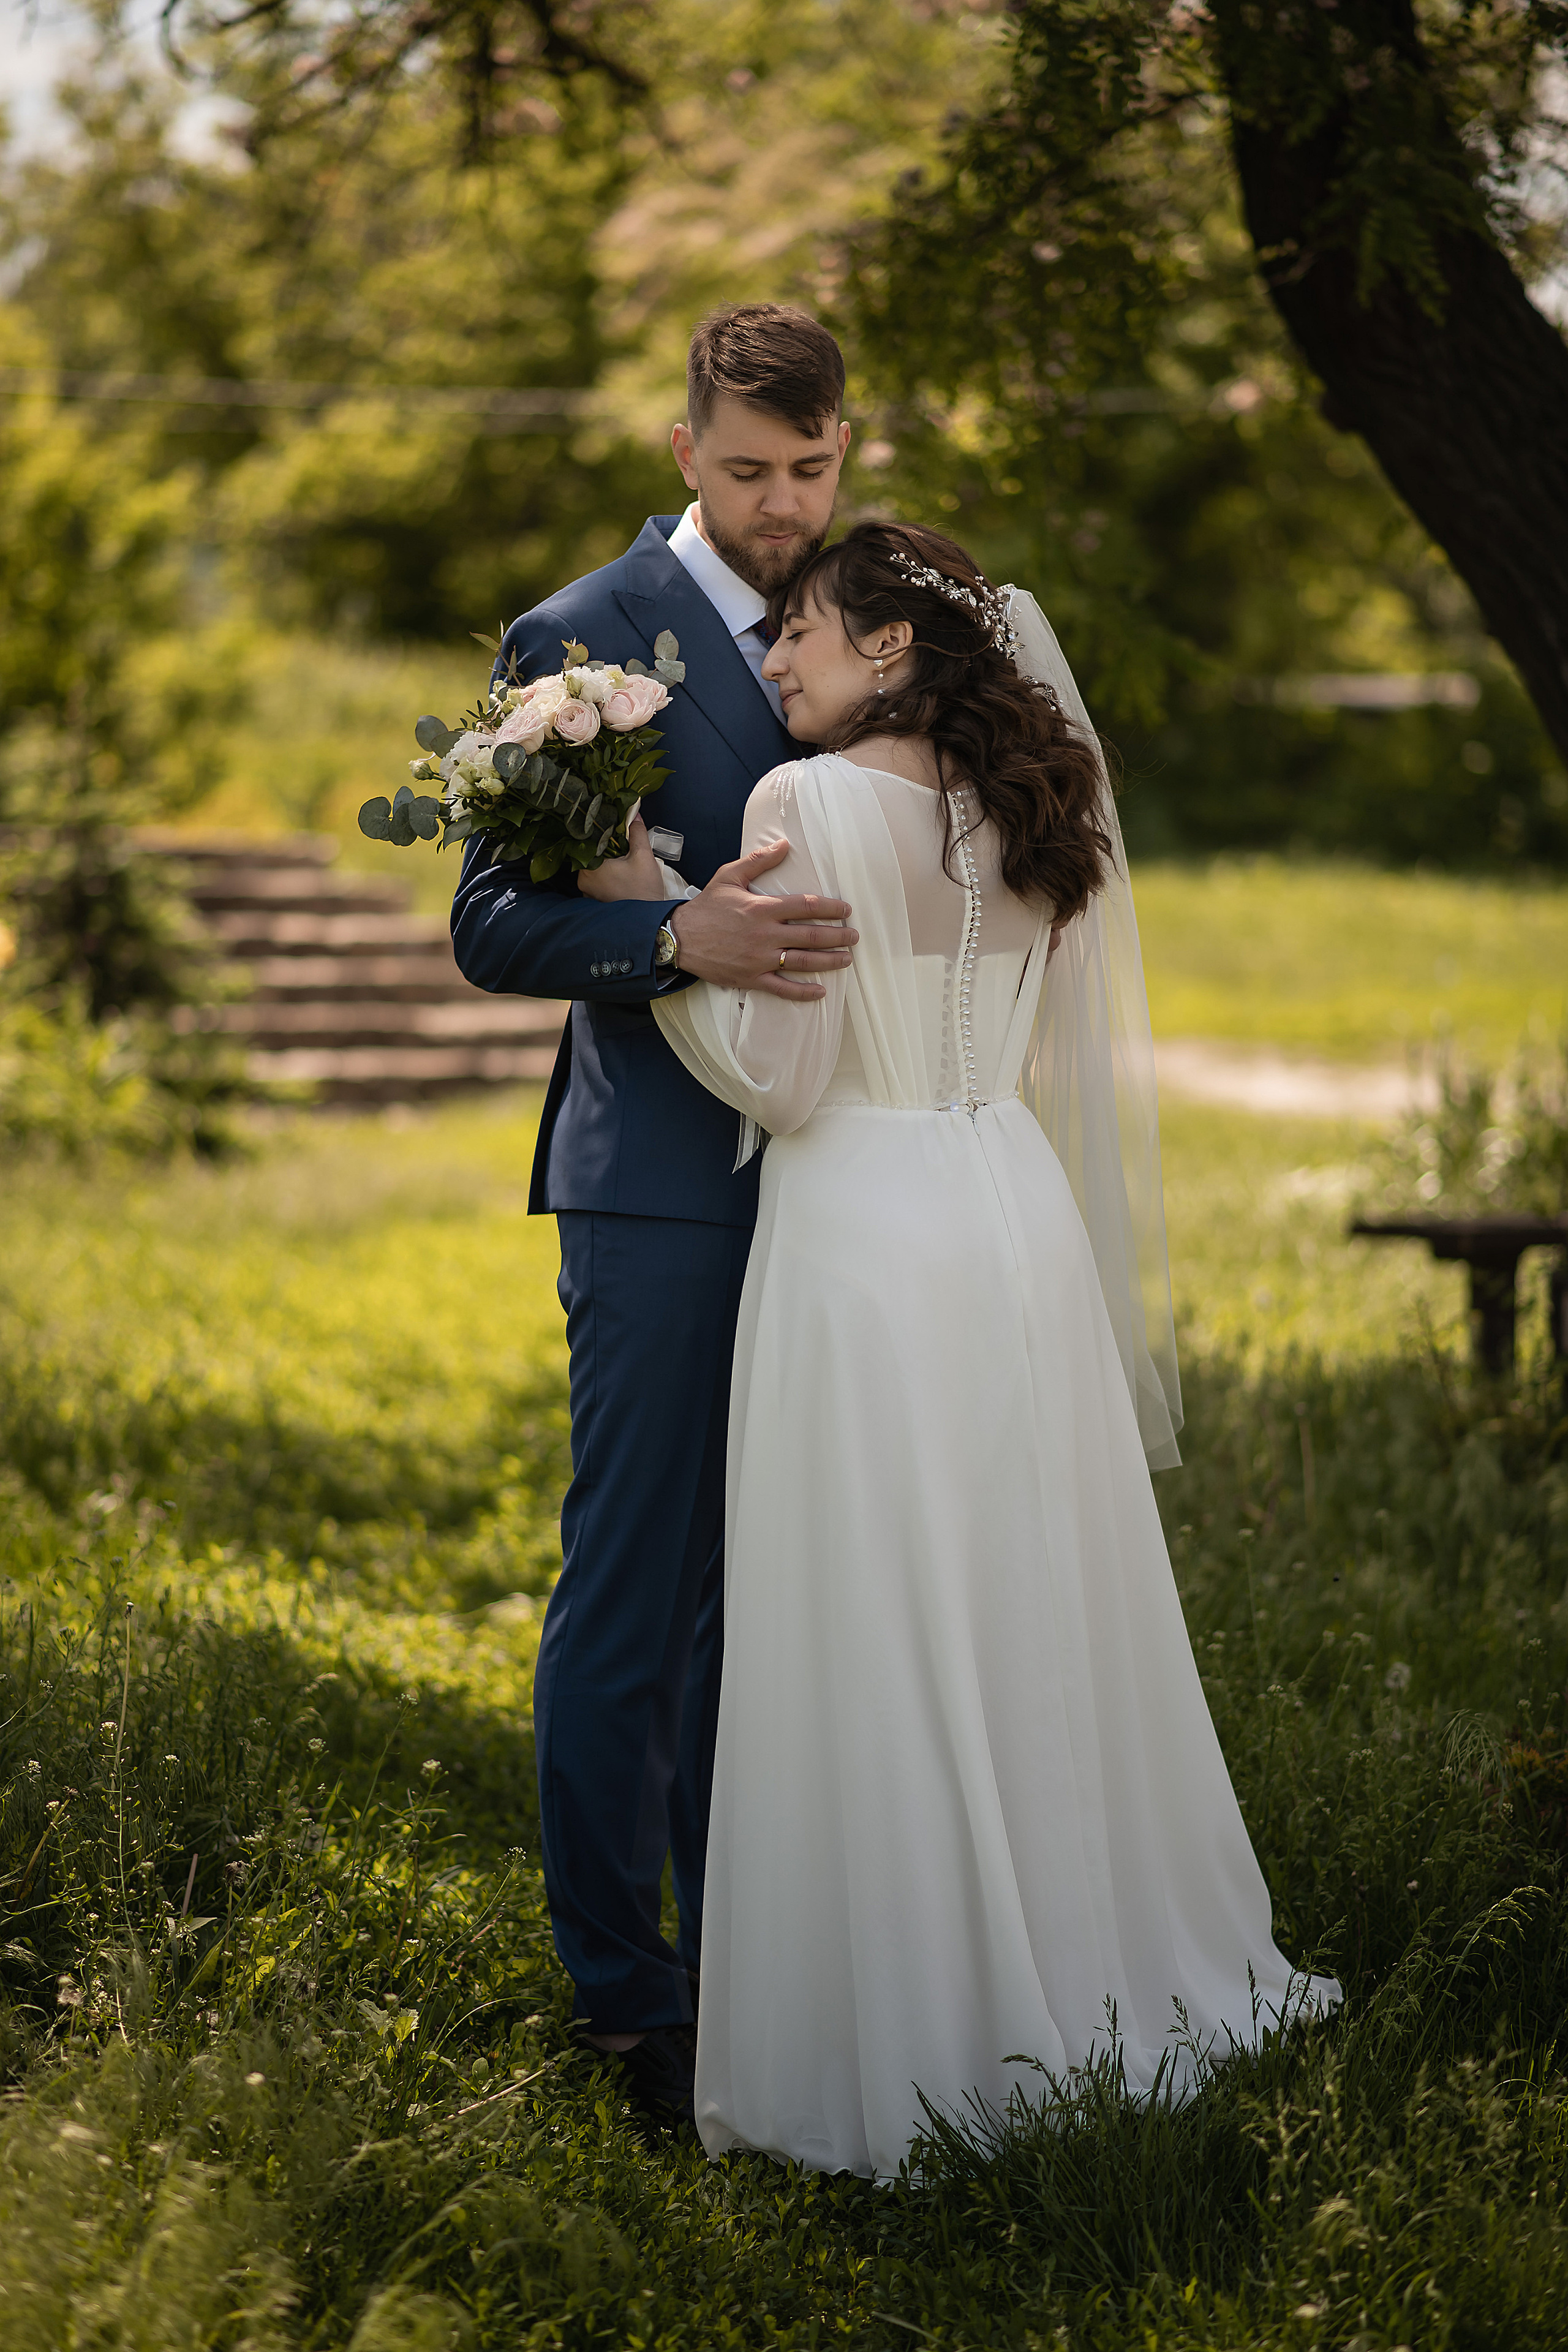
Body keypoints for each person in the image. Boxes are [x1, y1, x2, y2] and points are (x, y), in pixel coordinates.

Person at [579, 520, 1342, 2178]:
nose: (772, 659)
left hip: (861, 1225)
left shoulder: (808, 806)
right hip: (1009, 1209)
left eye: (805, 634)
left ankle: (915, 2025)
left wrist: (645, 914)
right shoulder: (1031, 809)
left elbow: (781, 1081)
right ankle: (1081, 1966)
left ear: (897, 654)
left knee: (875, 1610)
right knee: (1022, 1605)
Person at [451, 305, 859, 2125]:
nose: (782, 506)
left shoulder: (862, 613)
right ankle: (627, 2001)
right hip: (660, 1195)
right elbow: (490, 923)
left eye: (814, 470)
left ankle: (758, 1960)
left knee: (765, 1606)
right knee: (634, 1595)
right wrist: (673, 932)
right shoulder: (584, 639)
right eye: (752, 471)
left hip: (847, 1193)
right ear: (684, 451)